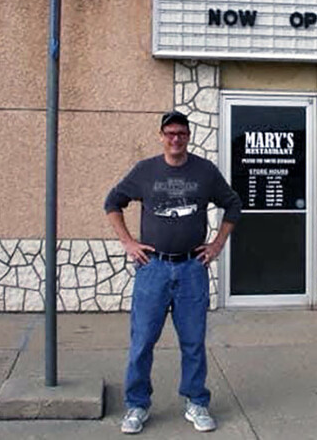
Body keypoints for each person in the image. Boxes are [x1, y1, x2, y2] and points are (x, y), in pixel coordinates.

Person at [105, 110, 241, 434]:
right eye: (170, 133)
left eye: (181, 133)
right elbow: (113, 202)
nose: (175, 139)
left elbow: (233, 204)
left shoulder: (205, 172)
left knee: (193, 342)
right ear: (161, 136)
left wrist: (217, 245)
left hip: (192, 269)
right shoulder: (145, 171)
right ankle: (137, 405)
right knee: (142, 342)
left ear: (188, 136)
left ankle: (197, 402)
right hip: (152, 269)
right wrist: (128, 242)